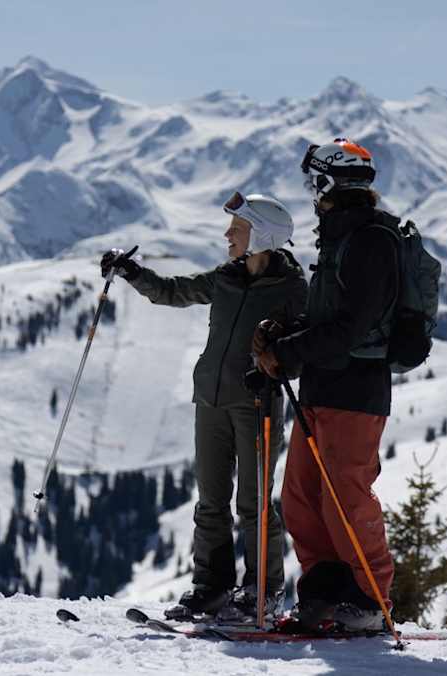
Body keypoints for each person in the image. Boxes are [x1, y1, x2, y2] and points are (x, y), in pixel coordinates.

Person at [101, 192, 306, 620]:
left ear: (262, 235)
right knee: (211, 500)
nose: (227, 235)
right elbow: (174, 292)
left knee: (253, 504)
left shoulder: (293, 290)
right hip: (211, 401)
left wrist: (276, 363)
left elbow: (305, 346)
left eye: (238, 228)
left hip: (257, 405)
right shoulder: (226, 277)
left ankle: (262, 592)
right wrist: (132, 272)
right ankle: (211, 586)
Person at [252, 138, 399, 632]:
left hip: (355, 393)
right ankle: (325, 595)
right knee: (303, 497)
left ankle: (370, 602)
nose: (310, 191)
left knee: (345, 499)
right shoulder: (338, 238)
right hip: (321, 389)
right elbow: (328, 320)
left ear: (326, 183)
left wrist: (288, 353)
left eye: (312, 181)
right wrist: (283, 338)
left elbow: (350, 329)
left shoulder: (371, 241)